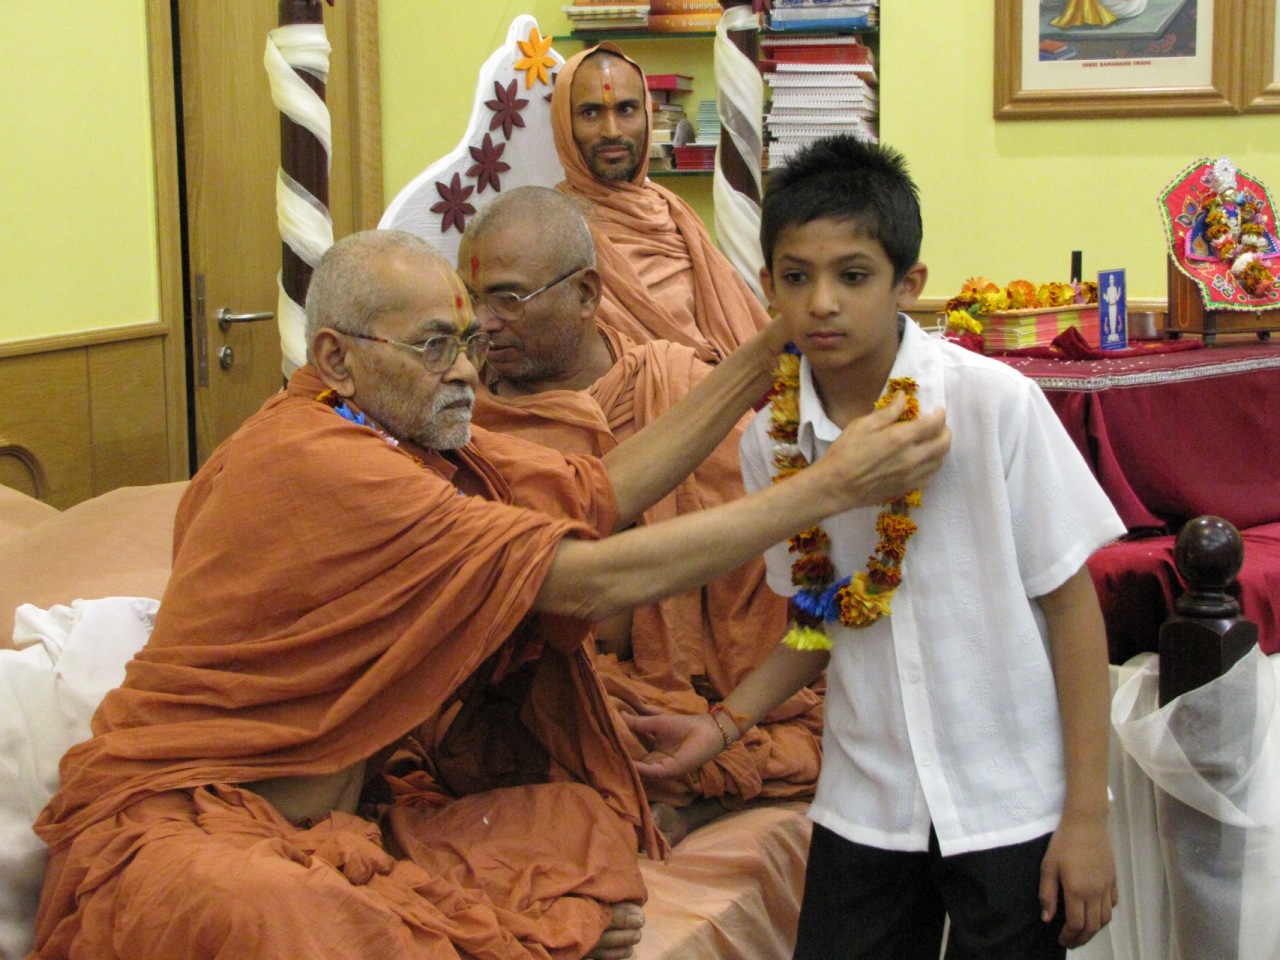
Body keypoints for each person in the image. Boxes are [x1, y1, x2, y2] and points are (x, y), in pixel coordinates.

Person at [30, 229, 950, 960]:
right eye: (435, 346)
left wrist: (762, 354)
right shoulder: (315, 460)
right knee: (286, 918)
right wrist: (830, 488)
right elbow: (593, 577)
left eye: (469, 340)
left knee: (579, 823)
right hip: (190, 819)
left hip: (353, 816)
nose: (467, 370)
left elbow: (604, 491)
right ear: (337, 359)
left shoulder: (404, 441)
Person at [627, 136, 1124, 959]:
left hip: (1010, 803)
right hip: (868, 803)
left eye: (852, 275)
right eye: (796, 276)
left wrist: (1086, 816)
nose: (821, 302)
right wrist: (723, 726)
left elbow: (1072, 609)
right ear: (766, 287)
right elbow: (820, 619)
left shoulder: (993, 405)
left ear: (908, 285)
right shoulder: (772, 443)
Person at [459, 186, 822, 844]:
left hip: (688, 685)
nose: (483, 323)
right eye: (471, 299)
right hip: (538, 682)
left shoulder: (676, 386)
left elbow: (763, 578)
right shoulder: (457, 416)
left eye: (508, 299)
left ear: (588, 294)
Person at [551, 43, 770, 364]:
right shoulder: (554, 229)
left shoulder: (673, 212)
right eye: (590, 112)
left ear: (648, 114)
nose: (611, 131)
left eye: (626, 110)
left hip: (724, 390)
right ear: (564, 125)